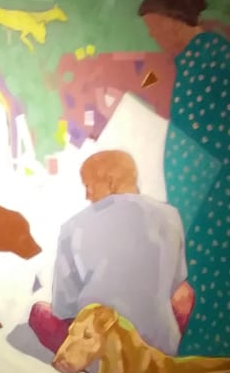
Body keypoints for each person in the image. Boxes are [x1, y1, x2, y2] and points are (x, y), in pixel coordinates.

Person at [139, 0, 230, 357]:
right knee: (201, 274)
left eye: (155, 28)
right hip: (201, 193)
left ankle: (207, 355)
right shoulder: (199, 57)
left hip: (207, 196)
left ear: (173, 21)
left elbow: (209, 139)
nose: (154, 37)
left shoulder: (209, 57)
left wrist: (182, 204)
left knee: (205, 275)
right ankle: (203, 353)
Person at [29, 150, 193, 356]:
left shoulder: (73, 226)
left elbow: (64, 307)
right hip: (157, 349)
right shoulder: (171, 216)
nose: (87, 195)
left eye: (88, 186)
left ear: (111, 181)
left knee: (39, 312)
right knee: (185, 293)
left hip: (95, 354)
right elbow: (175, 284)